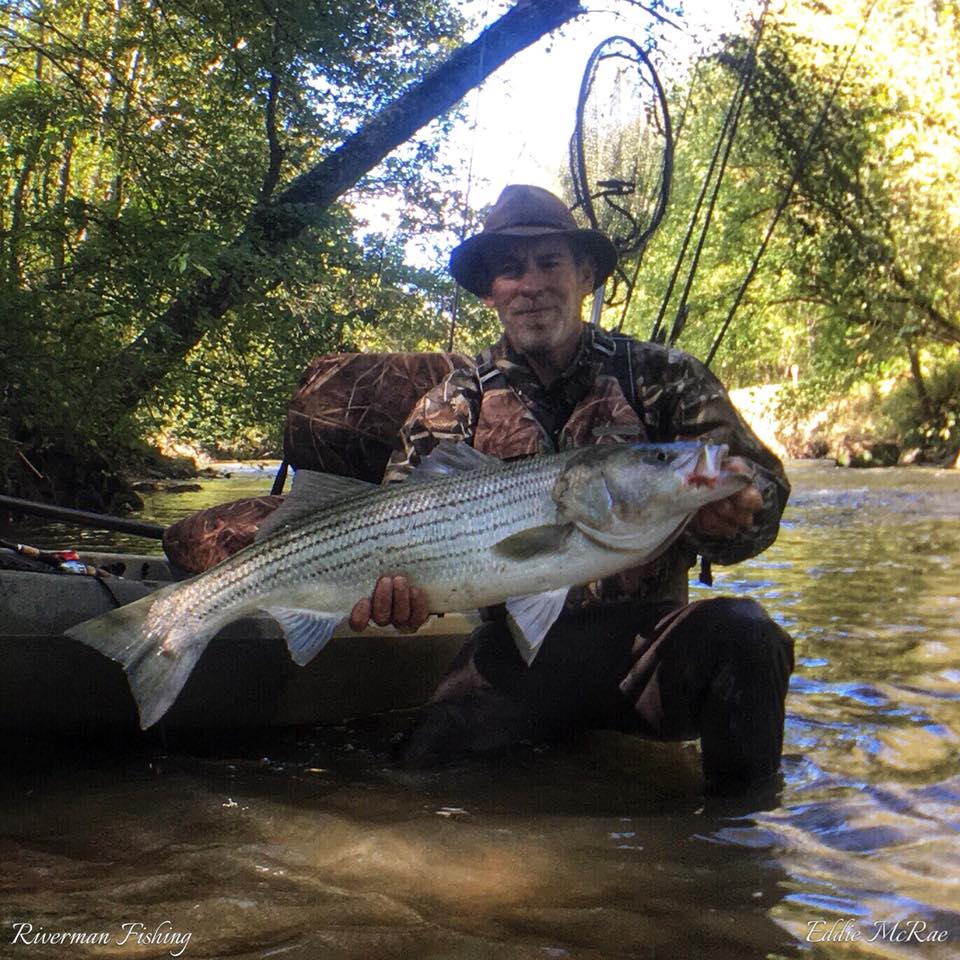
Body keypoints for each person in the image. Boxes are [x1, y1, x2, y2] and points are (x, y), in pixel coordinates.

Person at [349, 184, 794, 793]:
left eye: (550, 262)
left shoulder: (662, 377)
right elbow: (390, 524)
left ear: (585, 275)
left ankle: (735, 858)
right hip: (513, 658)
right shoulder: (454, 401)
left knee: (747, 636)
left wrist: (738, 517)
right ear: (489, 291)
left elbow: (761, 484)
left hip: (648, 652)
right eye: (510, 269)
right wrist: (396, 599)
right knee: (420, 773)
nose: (530, 284)